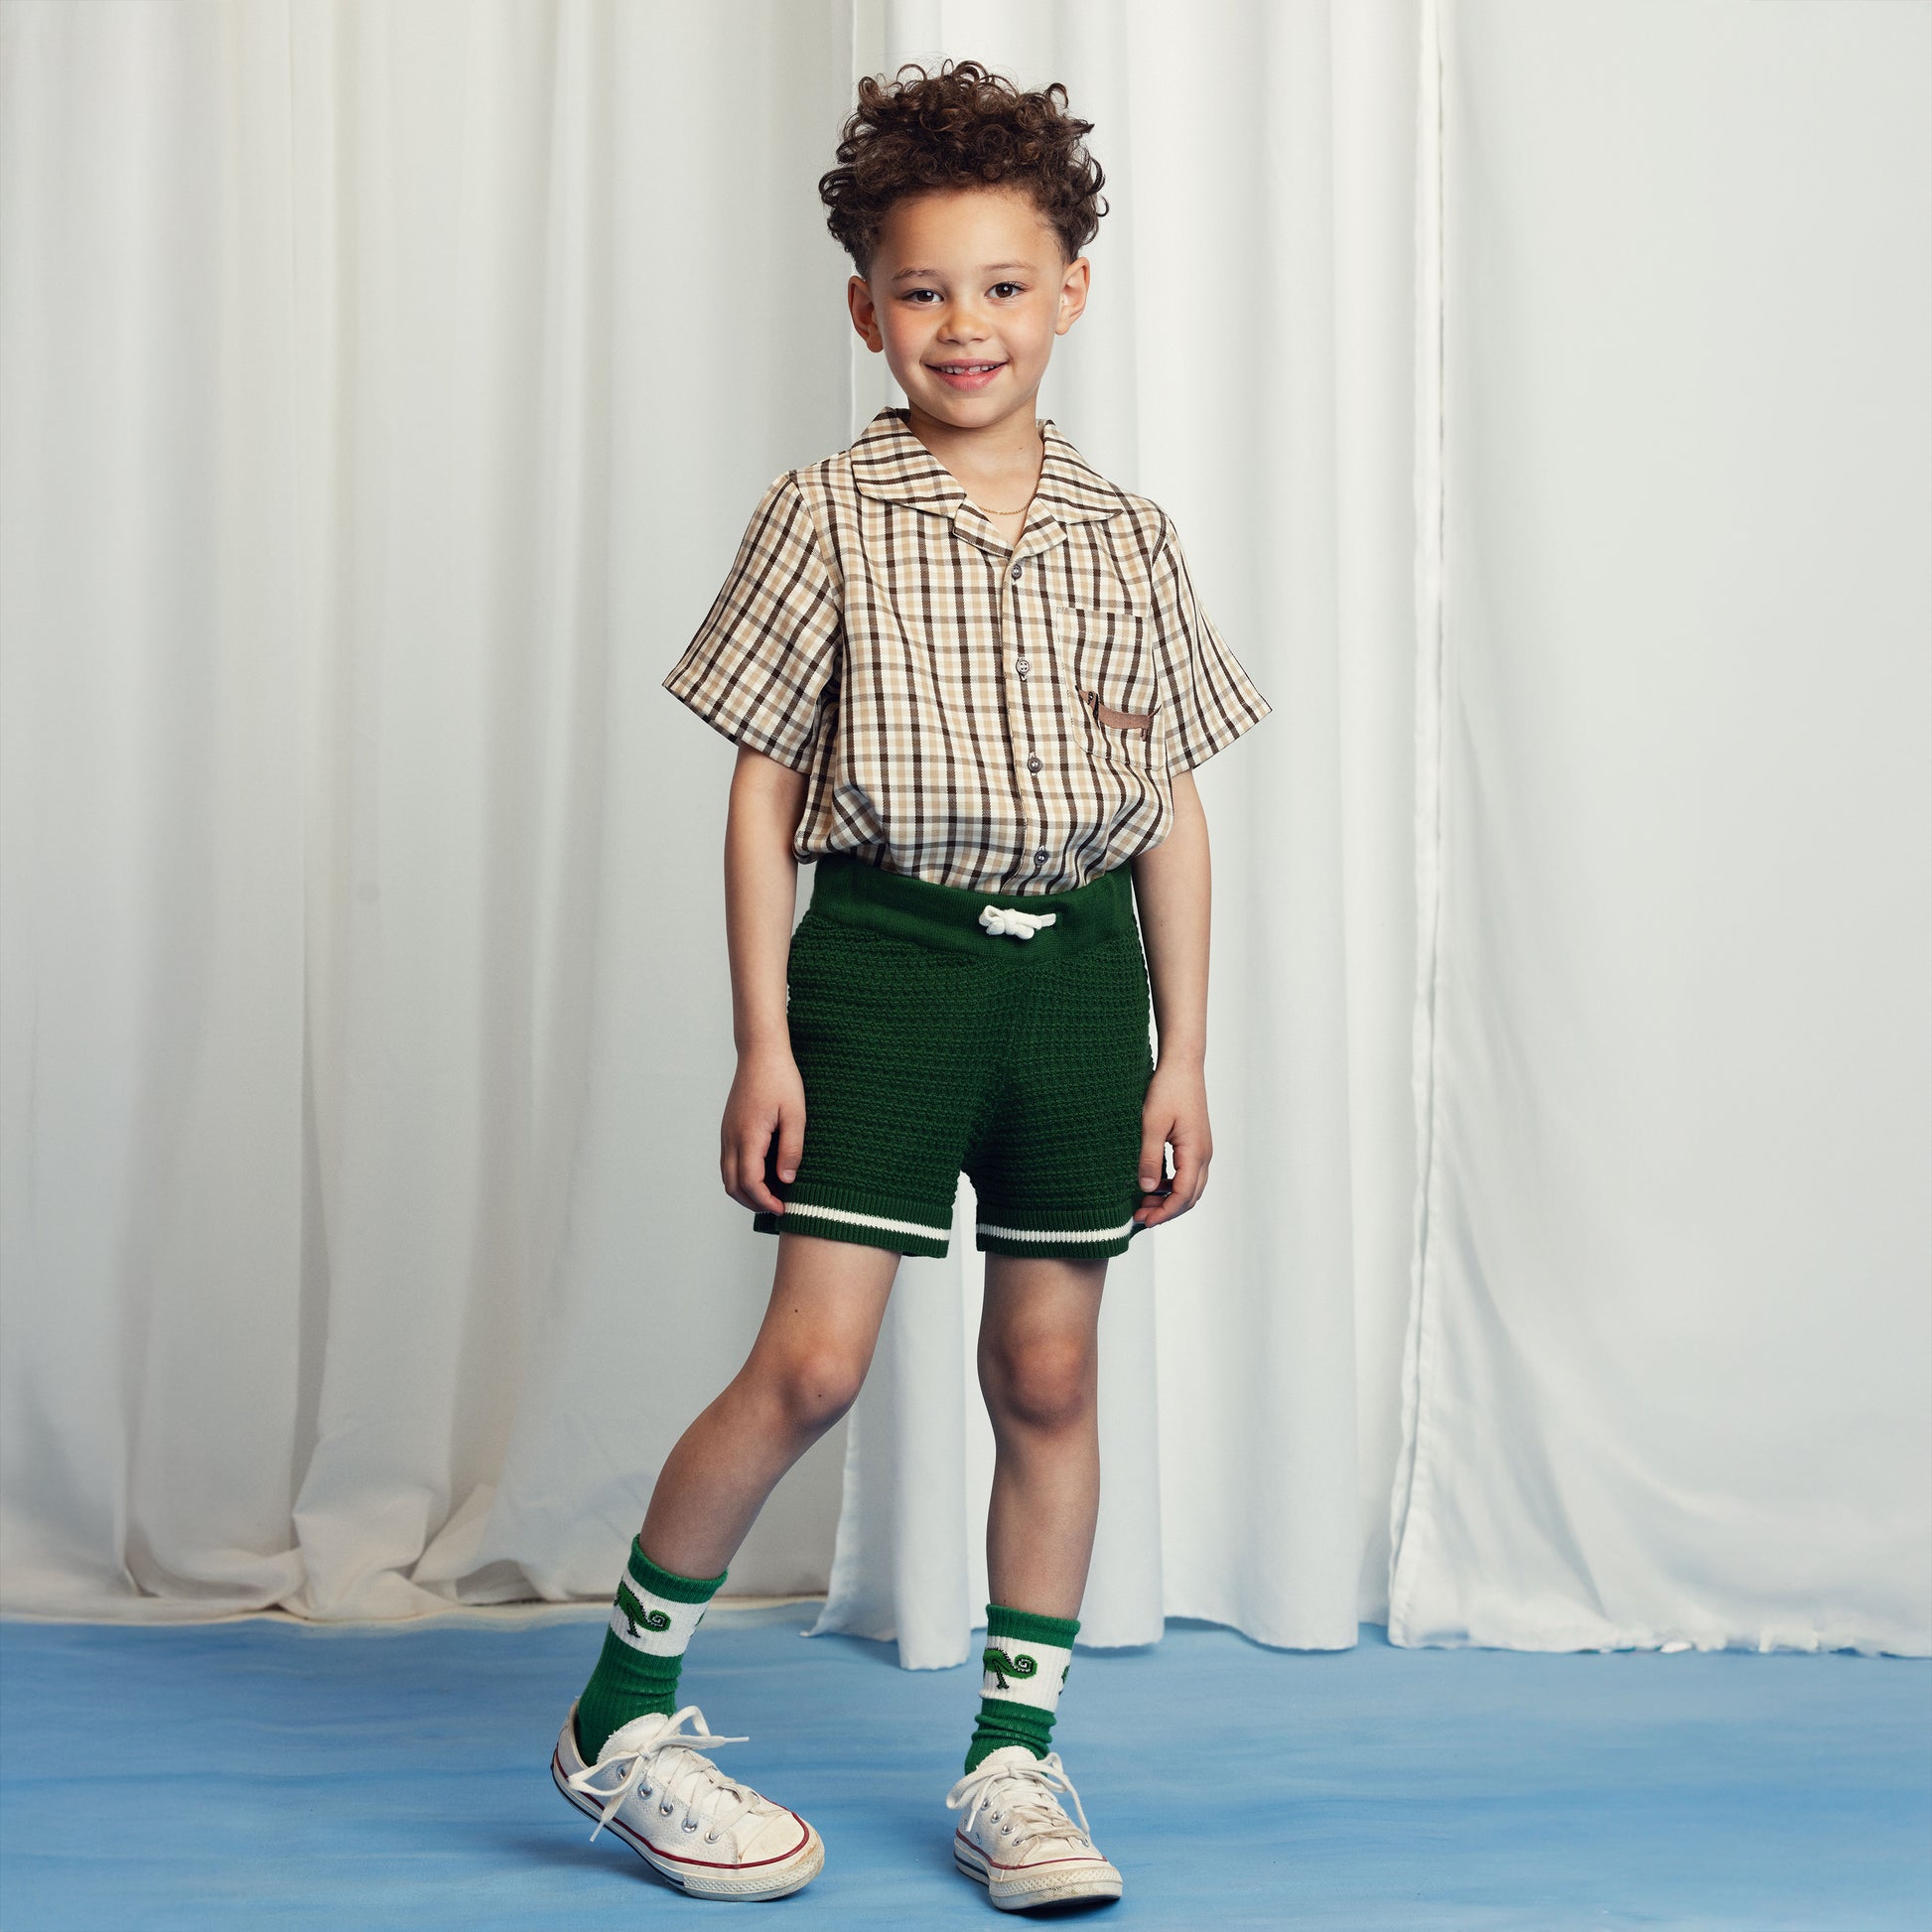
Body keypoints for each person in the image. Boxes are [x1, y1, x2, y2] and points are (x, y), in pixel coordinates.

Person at [549, 59, 1269, 1911]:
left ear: (1073, 292)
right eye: (925, 289)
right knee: (813, 1360)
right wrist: (762, 1037)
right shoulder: (823, 513)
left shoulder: (1132, 537)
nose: (967, 326)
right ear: (866, 305)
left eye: (1005, 285)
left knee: (1048, 1366)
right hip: (881, 963)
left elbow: (1171, 813)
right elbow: (759, 791)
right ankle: (622, 1712)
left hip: (1075, 988)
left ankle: (1015, 1764)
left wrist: (1182, 1051)